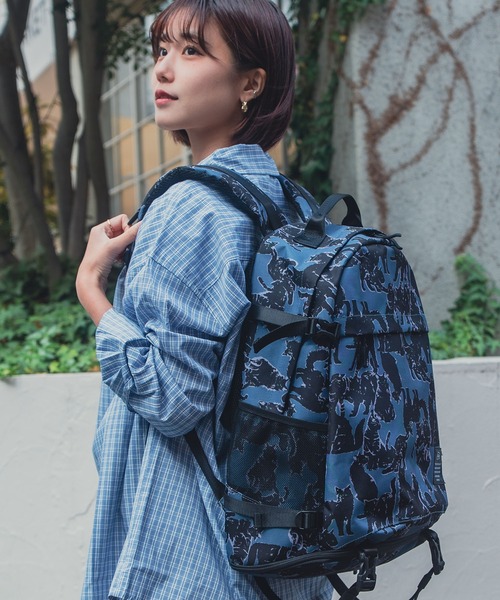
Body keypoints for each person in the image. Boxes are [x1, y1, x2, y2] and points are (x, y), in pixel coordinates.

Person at [76, 1, 333, 598]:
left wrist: (92, 287)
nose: (163, 69)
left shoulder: (192, 208)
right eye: (162, 49)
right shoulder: (289, 204)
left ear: (251, 84)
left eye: (193, 51)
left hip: (193, 550)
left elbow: (172, 398)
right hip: (279, 539)